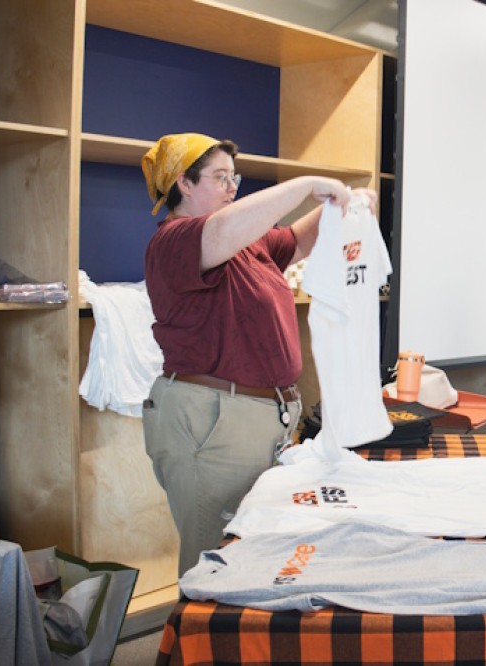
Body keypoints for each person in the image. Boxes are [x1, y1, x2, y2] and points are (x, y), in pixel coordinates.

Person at [140, 132, 374, 576]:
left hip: (261, 419)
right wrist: (307, 184)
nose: (232, 187)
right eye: (219, 177)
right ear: (183, 185)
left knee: (252, 553)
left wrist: (345, 207)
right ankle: (196, 647)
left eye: (235, 177)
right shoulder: (174, 241)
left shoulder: (249, 244)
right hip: (214, 420)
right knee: (216, 559)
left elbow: (299, 241)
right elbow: (222, 229)